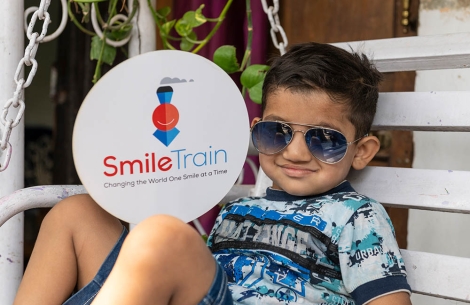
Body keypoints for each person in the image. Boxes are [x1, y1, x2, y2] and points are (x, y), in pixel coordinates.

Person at [14, 42, 412, 305]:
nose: (294, 151)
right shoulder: (237, 210)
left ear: (362, 151)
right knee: (77, 213)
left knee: (162, 233)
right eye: (276, 132)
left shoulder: (356, 216)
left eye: (324, 140)